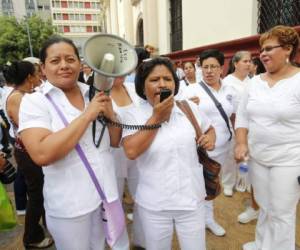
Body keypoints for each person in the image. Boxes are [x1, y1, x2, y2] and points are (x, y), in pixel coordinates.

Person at [18, 36, 128, 250]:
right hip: (70, 206)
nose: (64, 66)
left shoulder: (94, 94)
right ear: (43, 68)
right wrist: (87, 116)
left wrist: (111, 116)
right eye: (55, 60)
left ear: (80, 63)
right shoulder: (34, 102)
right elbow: (42, 154)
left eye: (70, 59)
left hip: (105, 195)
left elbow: (115, 142)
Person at [121, 57, 216, 250]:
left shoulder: (188, 107)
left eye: (168, 79)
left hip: (192, 200)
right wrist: (156, 117)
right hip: (155, 205)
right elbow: (131, 150)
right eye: (154, 80)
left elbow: (209, 129)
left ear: (175, 83)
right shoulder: (132, 114)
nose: (162, 84)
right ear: (142, 84)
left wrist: (209, 139)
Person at [235, 25, 300, 250]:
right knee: (264, 205)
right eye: (261, 49)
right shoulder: (254, 83)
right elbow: (242, 116)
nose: (262, 54)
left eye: (269, 48)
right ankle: (263, 243)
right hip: (258, 157)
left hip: (290, 160)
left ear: (288, 49)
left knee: (282, 212)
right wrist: (242, 142)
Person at [182, 49, 238, 237]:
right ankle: (204, 220)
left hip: (225, 146)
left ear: (221, 68)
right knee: (204, 185)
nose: (209, 71)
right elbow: (182, 118)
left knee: (213, 184)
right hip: (204, 149)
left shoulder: (230, 90)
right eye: (205, 67)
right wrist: (190, 106)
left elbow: (234, 116)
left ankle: (206, 218)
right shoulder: (191, 90)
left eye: (213, 66)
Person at [4, 61, 53, 249]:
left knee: (41, 191)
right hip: (27, 153)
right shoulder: (17, 97)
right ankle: (32, 237)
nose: (39, 75)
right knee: (36, 194)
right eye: (36, 73)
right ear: (28, 77)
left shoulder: (26, 94)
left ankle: (47, 227)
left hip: (31, 151)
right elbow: (27, 128)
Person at [110, 76, 145, 249]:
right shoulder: (94, 93)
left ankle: (141, 239)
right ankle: (119, 245)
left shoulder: (133, 88)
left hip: (138, 152)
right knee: (113, 201)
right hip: (112, 155)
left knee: (142, 196)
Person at [222, 51, 252, 197]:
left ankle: (243, 181)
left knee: (246, 156)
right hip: (232, 124)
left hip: (249, 125)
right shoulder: (227, 82)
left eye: (250, 61)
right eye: (245, 61)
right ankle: (228, 183)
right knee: (230, 156)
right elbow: (227, 108)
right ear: (235, 64)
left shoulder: (252, 81)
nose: (249, 64)